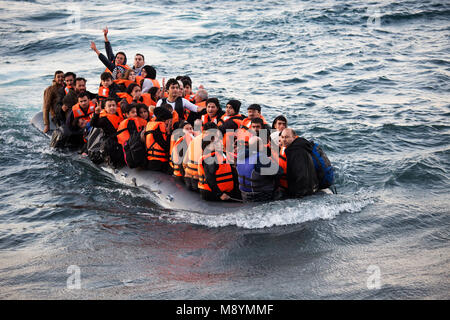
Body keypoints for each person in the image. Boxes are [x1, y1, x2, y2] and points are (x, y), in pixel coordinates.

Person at [197, 128, 241, 201]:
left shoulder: (222, 154)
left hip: (226, 190)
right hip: (212, 193)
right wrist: (220, 194)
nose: (220, 143)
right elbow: (210, 179)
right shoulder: (209, 158)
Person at [236, 136, 283, 202]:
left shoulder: (240, 156)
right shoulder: (259, 159)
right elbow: (279, 172)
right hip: (260, 194)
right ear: (260, 146)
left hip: (244, 193)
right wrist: (272, 162)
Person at [280, 128, 319, 197]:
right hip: (311, 187)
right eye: (282, 137)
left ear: (294, 137)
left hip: (304, 192)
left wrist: (298, 195)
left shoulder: (296, 151)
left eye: (287, 137)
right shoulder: (298, 146)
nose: (284, 140)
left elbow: (301, 175)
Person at [183, 122, 218, 191]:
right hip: (199, 181)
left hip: (188, 177)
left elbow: (184, 161)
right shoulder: (211, 143)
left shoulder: (194, 140)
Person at [145, 106, 173, 172]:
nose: (170, 122)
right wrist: (169, 133)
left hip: (153, 160)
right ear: (165, 120)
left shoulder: (151, 125)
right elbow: (165, 146)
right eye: (169, 120)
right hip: (157, 162)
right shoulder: (158, 128)